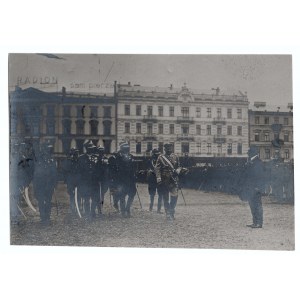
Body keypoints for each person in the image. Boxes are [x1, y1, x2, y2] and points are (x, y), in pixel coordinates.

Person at [238, 148, 265, 228]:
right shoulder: (251, 161)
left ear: (253, 153)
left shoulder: (258, 162)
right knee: (252, 205)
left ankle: (259, 223)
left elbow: (261, 176)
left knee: (257, 205)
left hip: (256, 188)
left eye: (249, 152)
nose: (247, 153)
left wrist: (258, 187)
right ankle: (255, 222)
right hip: (250, 188)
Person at [32, 142, 57, 225]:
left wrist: (54, 184)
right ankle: (43, 218)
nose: (49, 151)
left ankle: (47, 217)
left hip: (49, 186)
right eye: (47, 149)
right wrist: (35, 186)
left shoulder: (52, 160)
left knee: (48, 202)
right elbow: (35, 174)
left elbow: (55, 173)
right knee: (41, 202)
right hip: (41, 185)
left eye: (50, 149)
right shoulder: (38, 159)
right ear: (44, 149)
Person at [155, 143, 181, 220]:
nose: (169, 149)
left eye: (170, 148)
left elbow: (179, 166)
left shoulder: (176, 156)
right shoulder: (161, 157)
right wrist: (159, 178)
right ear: (164, 149)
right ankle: (168, 213)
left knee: (174, 196)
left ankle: (172, 210)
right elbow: (157, 168)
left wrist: (178, 170)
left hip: (173, 180)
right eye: (167, 148)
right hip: (164, 180)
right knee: (165, 198)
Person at [78, 141, 99, 219]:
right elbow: (79, 171)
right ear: (87, 149)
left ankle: (92, 212)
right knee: (86, 199)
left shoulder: (96, 157)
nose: (92, 150)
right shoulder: (81, 158)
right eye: (90, 148)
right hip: (85, 182)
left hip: (94, 182)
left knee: (94, 199)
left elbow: (98, 169)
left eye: (93, 148)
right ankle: (87, 214)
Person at [114, 142, 137, 217]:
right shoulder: (118, 157)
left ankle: (127, 208)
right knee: (122, 196)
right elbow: (117, 168)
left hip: (130, 180)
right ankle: (123, 212)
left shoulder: (131, 156)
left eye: (127, 148)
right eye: (125, 148)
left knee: (132, 194)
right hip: (121, 180)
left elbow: (134, 167)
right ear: (122, 149)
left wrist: (134, 174)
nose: (127, 150)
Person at [61, 147, 80, 215]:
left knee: (78, 195)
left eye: (76, 154)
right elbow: (65, 170)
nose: (76, 155)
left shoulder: (78, 161)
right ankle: (72, 209)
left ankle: (78, 208)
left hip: (78, 181)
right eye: (74, 154)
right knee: (72, 195)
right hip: (71, 181)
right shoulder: (68, 161)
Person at [146, 149, 163, 213]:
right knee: (152, 195)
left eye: (157, 154)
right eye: (155, 154)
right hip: (152, 180)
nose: (156, 156)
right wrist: (149, 171)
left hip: (159, 179)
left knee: (160, 194)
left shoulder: (161, 162)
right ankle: (151, 208)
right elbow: (147, 169)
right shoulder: (149, 161)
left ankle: (158, 209)